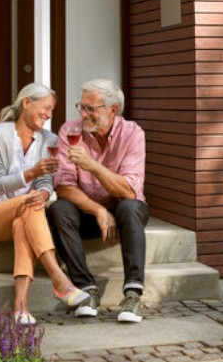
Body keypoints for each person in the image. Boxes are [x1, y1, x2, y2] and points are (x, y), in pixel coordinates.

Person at [0, 82, 89, 325]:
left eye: (52, 110)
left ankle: (20, 306)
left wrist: (44, 194)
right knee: (29, 204)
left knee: (28, 214)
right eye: (45, 108)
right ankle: (59, 278)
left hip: (26, 214)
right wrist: (31, 173)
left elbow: (45, 182)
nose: (49, 114)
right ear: (26, 103)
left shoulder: (48, 140)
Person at [47, 78, 149, 323]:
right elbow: (64, 187)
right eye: (81, 107)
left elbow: (129, 191)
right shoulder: (70, 131)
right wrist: (99, 211)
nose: (84, 114)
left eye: (91, 109)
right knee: (58, 210)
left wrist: (92, 166)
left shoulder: (133, 133)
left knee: (131, 207)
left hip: (125, 214)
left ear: (112, 110)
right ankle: (87, 290)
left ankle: (133, 295)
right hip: (88, 213)